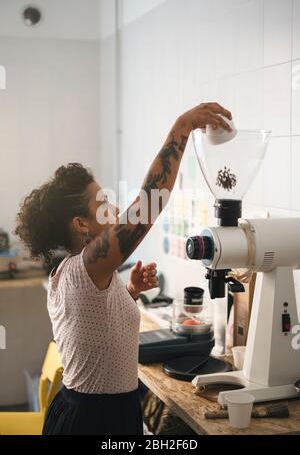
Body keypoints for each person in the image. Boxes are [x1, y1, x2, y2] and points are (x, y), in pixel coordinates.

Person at [15, 102, 232, 435]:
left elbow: (96, 333)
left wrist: (129, 293)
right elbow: (147, 204)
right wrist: (182, 127)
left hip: (106, 412)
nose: (115, 209)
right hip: (91, 422)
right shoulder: (81, 271)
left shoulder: (88, 274)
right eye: (103, 204)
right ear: (81, 225)